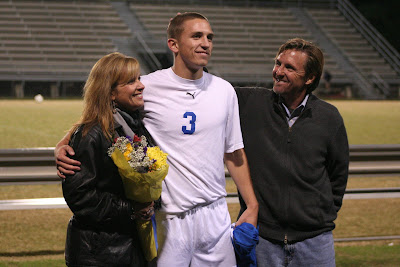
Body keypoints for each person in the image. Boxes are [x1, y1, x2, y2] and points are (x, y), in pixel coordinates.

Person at [55, 12, 259, 266]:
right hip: (169, 219)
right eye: (196, 36)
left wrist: (251, 205)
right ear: (173, 44)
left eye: (209, 37)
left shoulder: (224, 90)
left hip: (215, 214)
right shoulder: (147, 87)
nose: (206, 43)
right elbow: (99, 117)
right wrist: (63, 144)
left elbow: (234, 152)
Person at [235, 38, 349, 266]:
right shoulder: (250, 103)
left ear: (309, 78)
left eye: (289, 67)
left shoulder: (329, 117)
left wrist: (318, 215)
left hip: (315, 242)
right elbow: (207, 88)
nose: (278, 72)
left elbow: (338, 175)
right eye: (278, 64)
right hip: (262, 239)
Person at [60, 52, 155, 267]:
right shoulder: (92, 133)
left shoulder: (134, 126)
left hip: (130, 246)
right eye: (131, 81)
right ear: (110, 93)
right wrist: (131, 210)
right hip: (98, 252)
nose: (141, 85)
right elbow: (80, 196)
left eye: (139, 78)